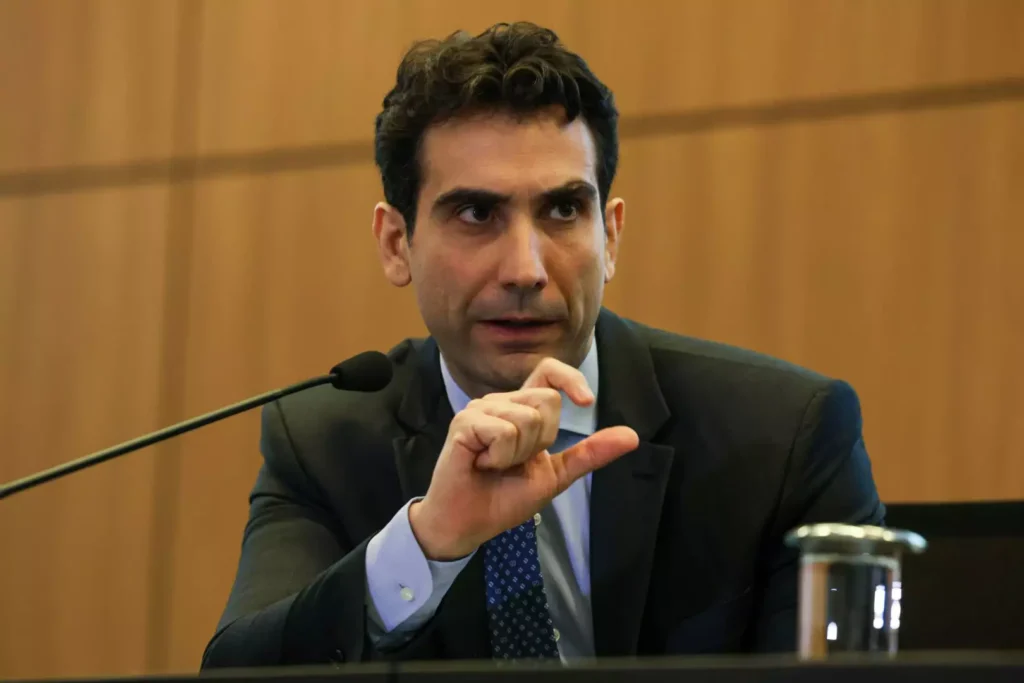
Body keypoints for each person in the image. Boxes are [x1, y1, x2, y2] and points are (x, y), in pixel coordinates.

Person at [202, 21, 884, 668]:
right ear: (396, 243)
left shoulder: (782, 435)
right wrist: (426, 542)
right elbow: (241, 670)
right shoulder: (325, 442)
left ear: (609, 236)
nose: (526, 270)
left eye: (563, 210)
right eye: (477, 213)